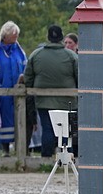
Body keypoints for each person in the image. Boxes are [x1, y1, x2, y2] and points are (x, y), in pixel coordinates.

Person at [22, 25, 79, 157]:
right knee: (66, 131)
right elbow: (79, 77)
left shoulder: (36, 55)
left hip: (43, 101)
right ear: (61, 37)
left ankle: (46, 159)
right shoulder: (71, 56)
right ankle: (67, 159)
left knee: (47, 129)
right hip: (68, 102)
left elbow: (28, 77)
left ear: (48, 37)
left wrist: (31, 90)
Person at [0, 21, 27, 155]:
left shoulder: (19, 50)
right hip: (3, 92)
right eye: (13, 34)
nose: (16, 36)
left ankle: (20, 150)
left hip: (18, 91)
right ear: (5, 35)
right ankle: (5, 149)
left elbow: (25, 66)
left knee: (20, 119)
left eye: (17, 34)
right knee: (5, 120)